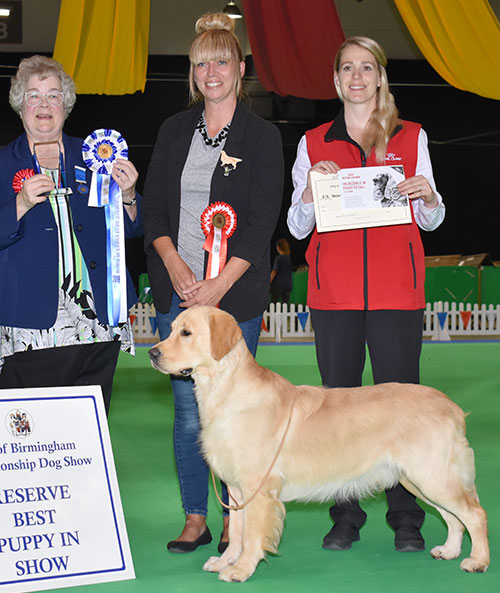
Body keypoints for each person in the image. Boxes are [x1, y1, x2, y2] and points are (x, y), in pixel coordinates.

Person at [287, 36, 445, 553]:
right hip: (333, 295)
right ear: (335, 81)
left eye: (367, 68)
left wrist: (428, 195)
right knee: (337, 410)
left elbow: (432, 218)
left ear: (380, 77)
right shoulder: (313, 141)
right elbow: (295, 224)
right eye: (347, 68)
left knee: (402, 409)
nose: (357, 76)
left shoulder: (412, 135)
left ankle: (407, 517)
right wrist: (310, 190)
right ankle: (345, 517)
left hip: (397, 293)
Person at [142, 12, 284, 553]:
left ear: (240, 68)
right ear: (193, 73)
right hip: (176, 296)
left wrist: (219, 285)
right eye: (201, 63)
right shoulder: (174, 131)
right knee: (186, 414)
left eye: (221, 60)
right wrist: (175, 264)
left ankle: (236, 517)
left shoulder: (263, 136)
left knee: (234, 414)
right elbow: (153, 208)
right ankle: (196, 516)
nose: (211, 71)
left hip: (234, 299)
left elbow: (261, 220)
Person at [0, 55, 143, 413]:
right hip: (30, 325)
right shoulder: (3, 163)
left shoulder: (96, 156)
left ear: (66, 104)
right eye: (33, 96)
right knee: (31, 432)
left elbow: (131, 228)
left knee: (87, 428)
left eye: (53, 95)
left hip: (95, 319)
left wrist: (127, 197)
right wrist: (18, 205)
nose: (44, 105)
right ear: (20, 106)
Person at [270, 238, 293, 304]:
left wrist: (269, 281)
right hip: (288, 285)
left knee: (273, 303)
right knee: (285, 304)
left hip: (279, 284)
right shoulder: (289, 258)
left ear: (279, 247)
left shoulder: (279, 258)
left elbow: (274, 271)